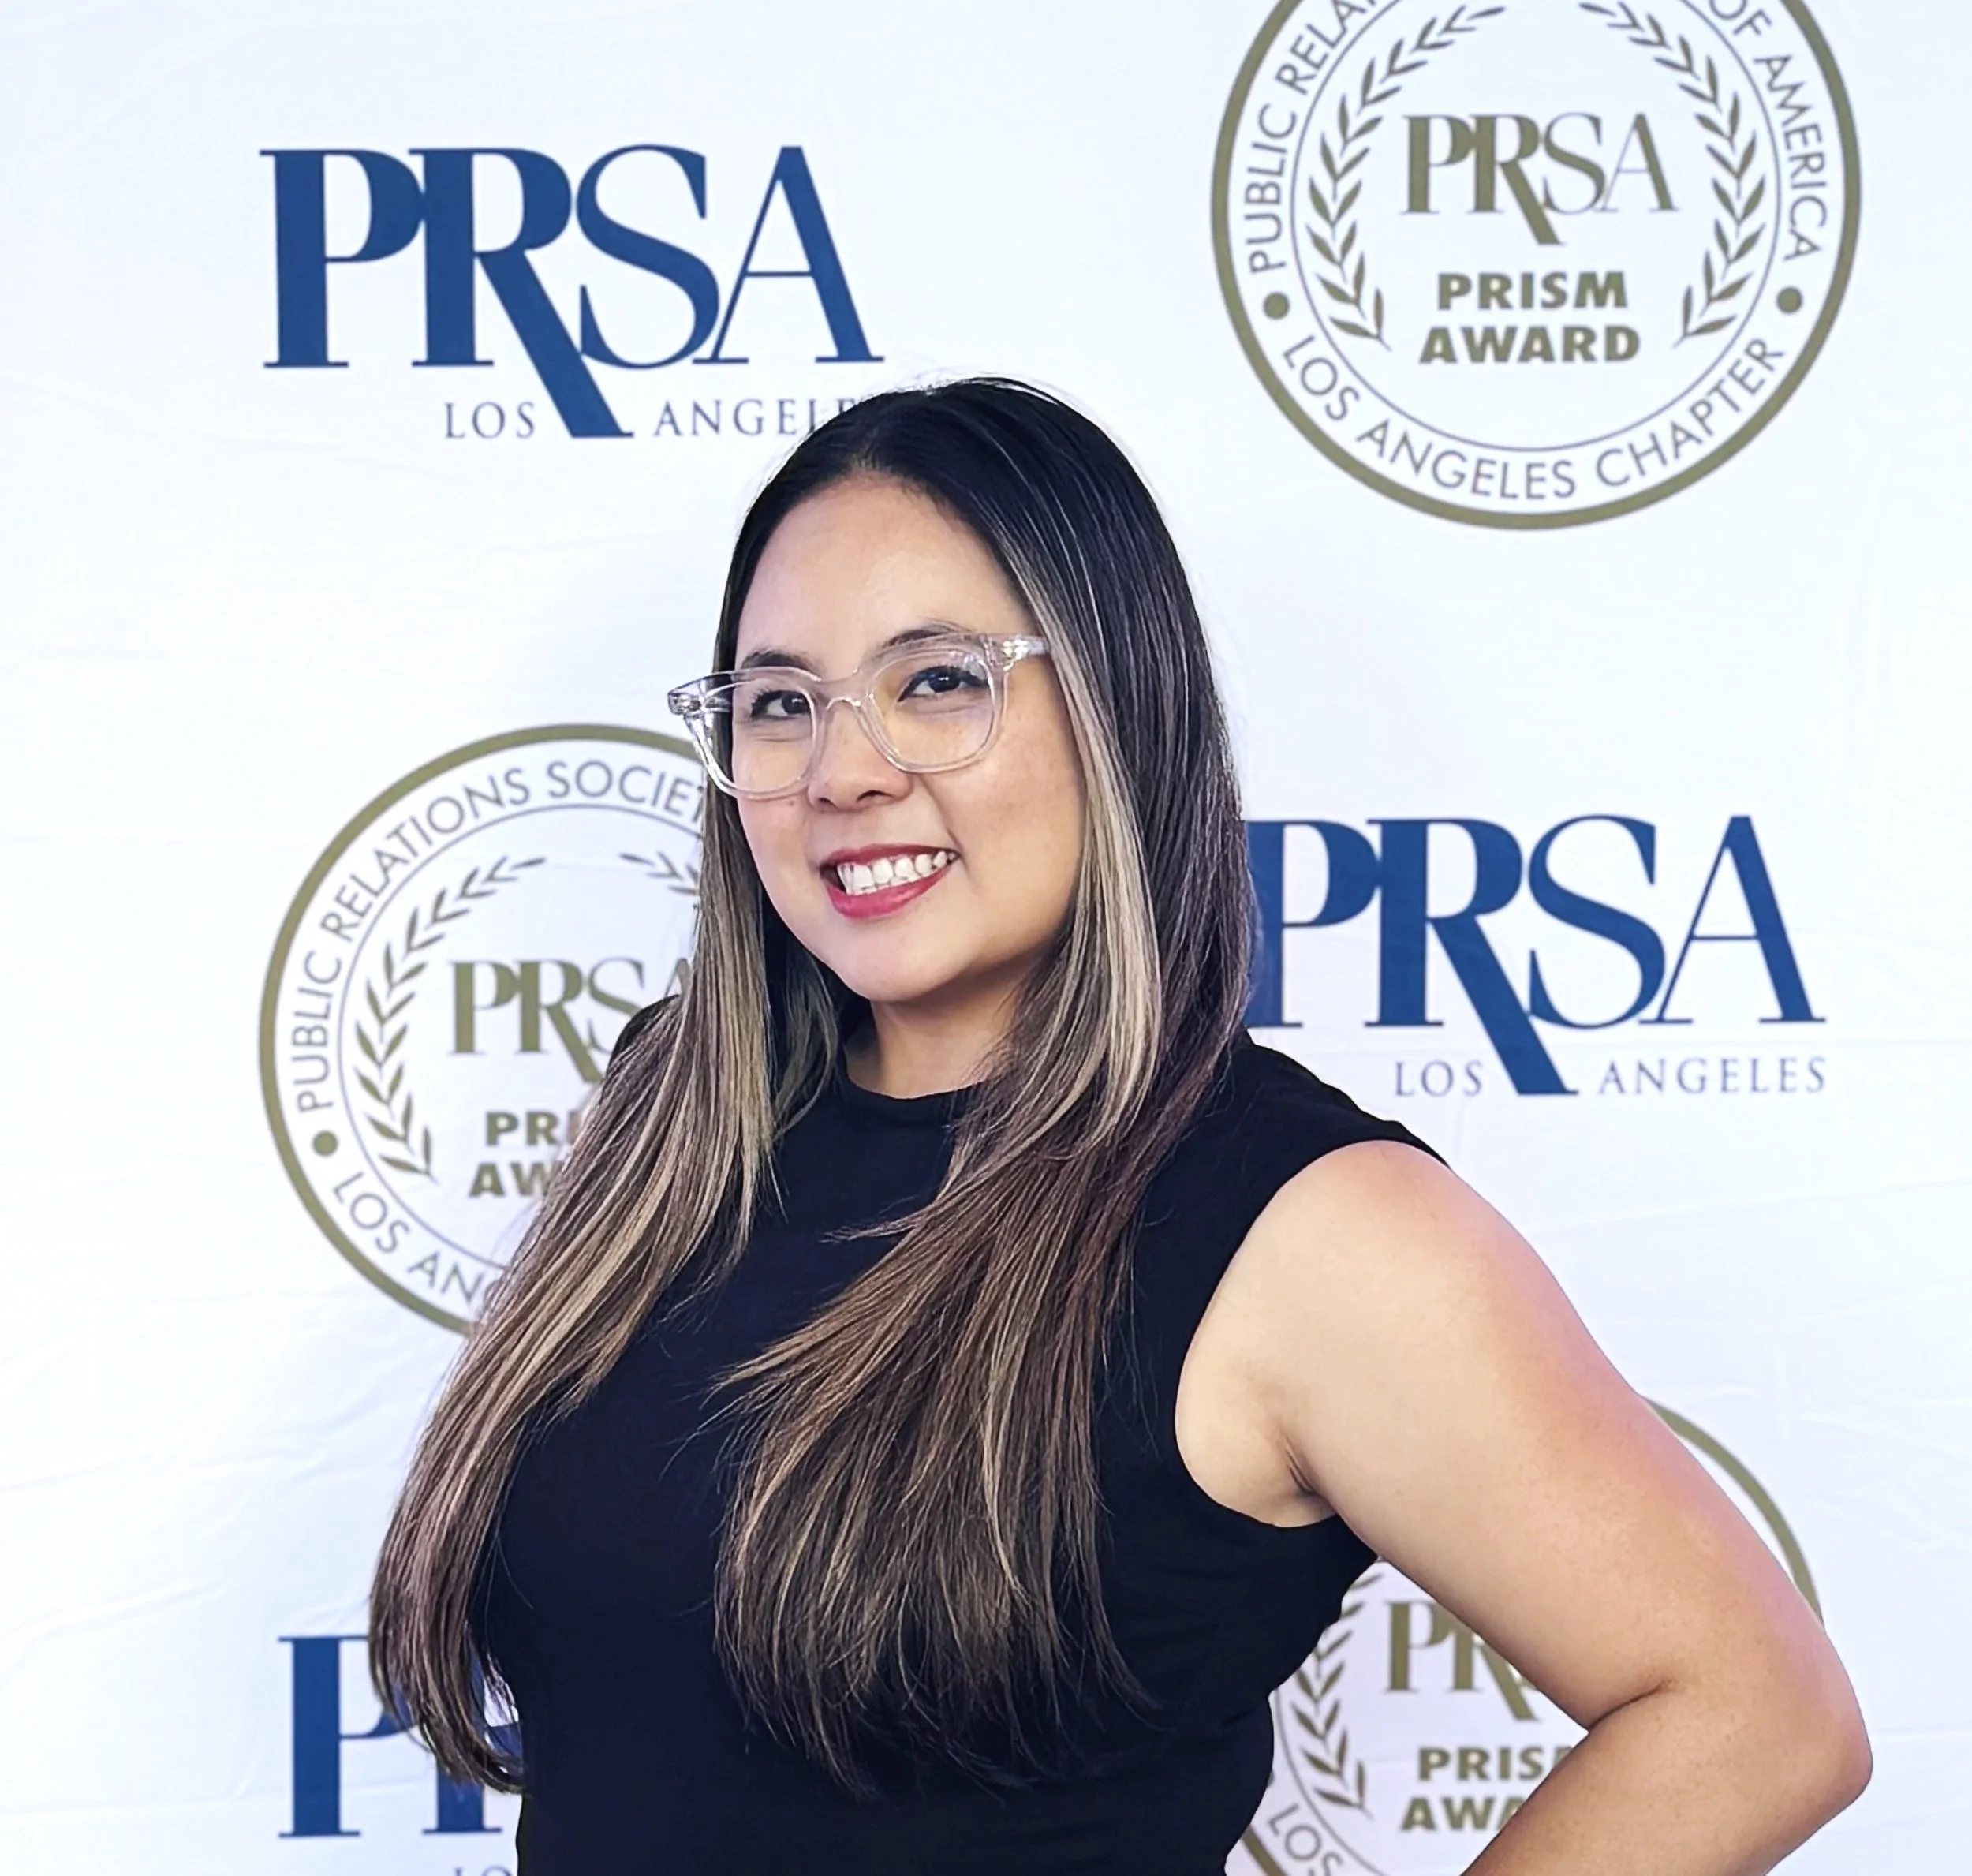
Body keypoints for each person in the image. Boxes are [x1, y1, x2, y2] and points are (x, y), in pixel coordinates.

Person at [368, 378, 1869, 1874]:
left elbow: (1755, 1713)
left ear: (1115, 701)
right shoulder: (674, 1125)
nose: (845, 771)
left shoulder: (1302, 1225)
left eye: (940, 681)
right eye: (780, 702)